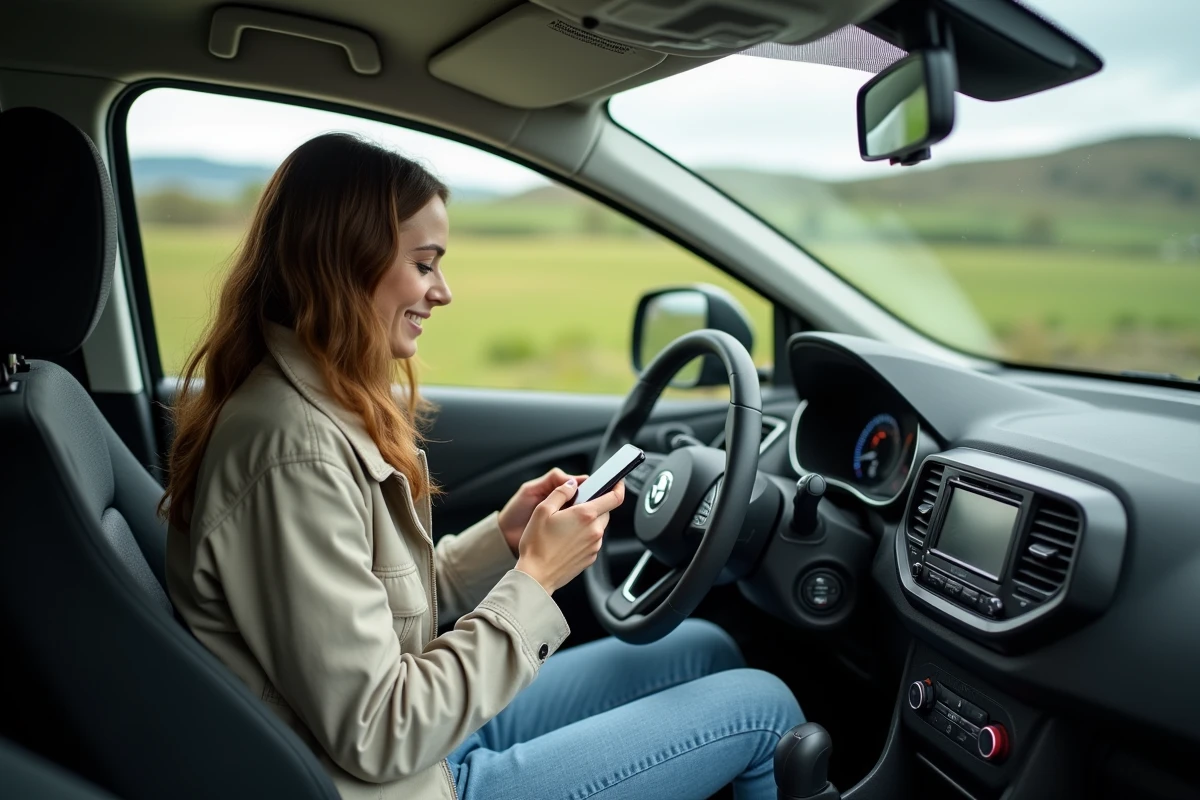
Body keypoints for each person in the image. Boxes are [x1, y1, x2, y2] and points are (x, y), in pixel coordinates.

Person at [163, 132, 804, 800]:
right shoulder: (294, 453)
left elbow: (375, 616)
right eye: (425, 263)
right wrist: (536, 577)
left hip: (418, 740)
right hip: (405, 782)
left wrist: (504, 540)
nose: (442, 292)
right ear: (347, 263)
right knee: (764, 709)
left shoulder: (315, 405)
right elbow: (381, 731)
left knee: (701, 649)